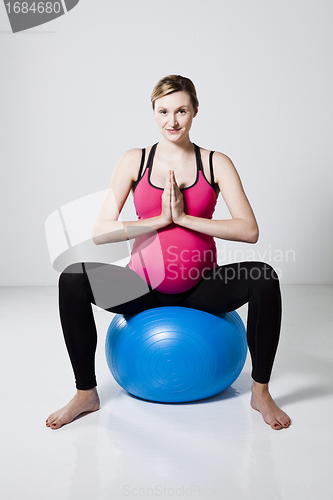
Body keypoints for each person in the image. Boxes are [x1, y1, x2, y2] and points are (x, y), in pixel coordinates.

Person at [46, 75, 291, 431]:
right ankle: (86, 393)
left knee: (264, 277)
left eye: (181, 111)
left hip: (202, 288)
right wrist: (160, 219)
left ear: (194, 111)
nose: (172, 121)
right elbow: (100, 231)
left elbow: (248, 230)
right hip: (141, 288)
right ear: (154, 112)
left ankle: (261, 391)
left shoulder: (215, 163)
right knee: (73, 278)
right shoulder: (135, 161)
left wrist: (186, 218)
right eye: (163, 111)